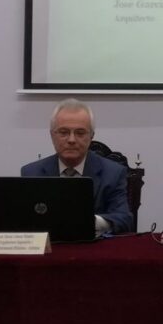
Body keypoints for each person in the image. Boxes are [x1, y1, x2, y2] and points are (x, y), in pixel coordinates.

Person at [21, 98, 133, 234]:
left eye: (80, 133)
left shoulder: (113, 173)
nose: (71, 140)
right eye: (63, 132)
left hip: (92, 250)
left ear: (91, 136)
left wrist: (87, 221)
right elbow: (24, 220)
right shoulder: (32, 173)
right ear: (52, 135)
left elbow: (124, 219)